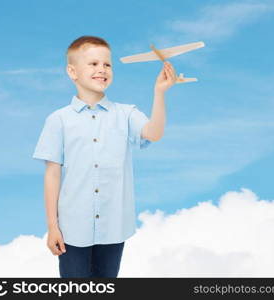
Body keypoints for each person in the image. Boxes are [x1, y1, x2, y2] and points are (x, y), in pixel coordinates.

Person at [32, 35, 177, 278]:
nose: (102, 70)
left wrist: (159, 93)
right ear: (72, 71)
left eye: (107, 65)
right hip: (72, 228)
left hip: (114, 227)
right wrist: (52, 225)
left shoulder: (126, 113)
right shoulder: (58, 120)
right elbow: (53, 174)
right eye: (93, 64)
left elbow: (154, 133)